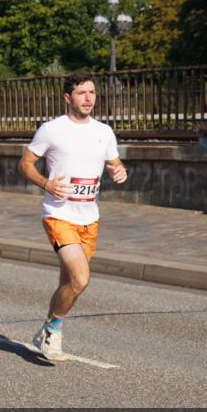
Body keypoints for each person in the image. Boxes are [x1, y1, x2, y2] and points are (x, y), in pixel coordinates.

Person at [18, 71, 127, 362]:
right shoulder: (52, 129)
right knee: (80, 279)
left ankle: (46, 330)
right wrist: (46, 184)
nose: (88, 98)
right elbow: (25, 164)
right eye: (81, 93)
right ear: (68, 98)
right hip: (58, 214)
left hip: (89, 218)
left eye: (92, 92)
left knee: (69, 282)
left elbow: (114, 163)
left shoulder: (104, 131)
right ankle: (53, 331)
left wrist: (119, 171)